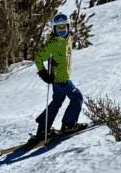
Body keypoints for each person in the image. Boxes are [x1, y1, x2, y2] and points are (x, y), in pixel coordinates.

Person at [31, 13, 85, 143]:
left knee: (57, 102)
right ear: (53, 29)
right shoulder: (52, 44)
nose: (62, 31)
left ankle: (43, 129)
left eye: (64, 28)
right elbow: (38, 58)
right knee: (77, 97)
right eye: (58, 29)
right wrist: (43, 72)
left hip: (59, 80)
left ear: (68, 27)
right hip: (61, 80)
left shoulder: (69, 39)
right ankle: (68, 125)